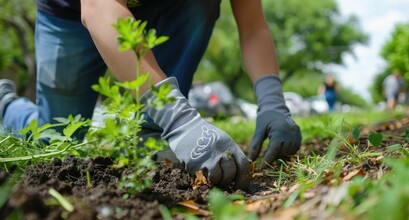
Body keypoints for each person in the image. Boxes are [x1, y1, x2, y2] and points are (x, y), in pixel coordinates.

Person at [0, 0, 302, 190]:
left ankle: (152, 137)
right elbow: (98, 6)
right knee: (55, 144)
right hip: (70, 13)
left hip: (174, 8)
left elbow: (252, 26)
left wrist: (272, 100)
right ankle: (6, 108)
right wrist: (179, 119)